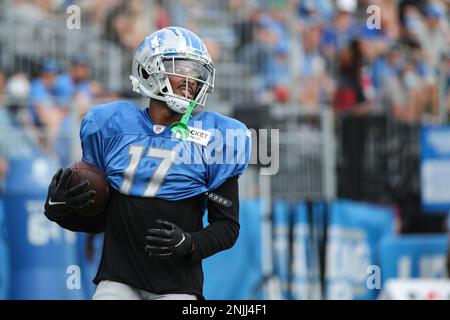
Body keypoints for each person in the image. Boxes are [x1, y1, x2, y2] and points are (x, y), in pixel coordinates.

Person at [43, 26, 251, 300]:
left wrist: (189, 243)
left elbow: (227, 226)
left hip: (177, 286)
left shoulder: (215, 139)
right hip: (118, 278)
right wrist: (60, 210)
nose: (192, 80)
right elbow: (103, 220)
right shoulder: (112, 126)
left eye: (197, 73)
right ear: (149, 70)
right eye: (183, 69)